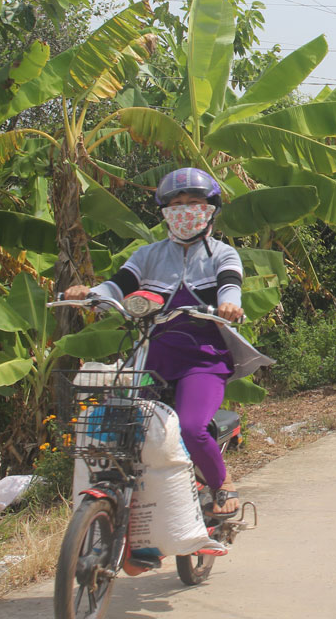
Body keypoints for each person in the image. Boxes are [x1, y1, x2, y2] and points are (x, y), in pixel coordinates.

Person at [66, 168, 273, 518]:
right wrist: (92, 294)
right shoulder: (148, 255)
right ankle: (125, 507)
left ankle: (223, 483)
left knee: (192, 427)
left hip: (203, 359)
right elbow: (118, 284)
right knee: (119, 426)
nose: (184, 210)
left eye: (193, 202)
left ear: (210, 209)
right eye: (175, 204)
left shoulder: (223, 254)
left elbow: (229, 285)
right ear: (164, 211)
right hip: (153, 358)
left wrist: (230, 304)